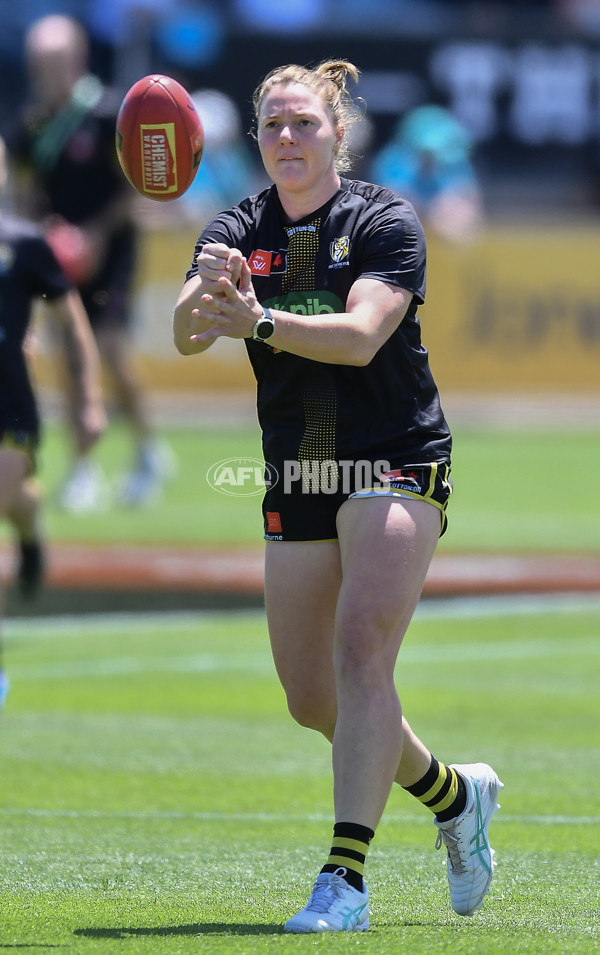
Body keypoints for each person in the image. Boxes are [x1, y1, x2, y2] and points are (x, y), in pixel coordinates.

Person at [173, 60, 502, 934]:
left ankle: (343, 881)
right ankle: (454, 795)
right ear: (257, 138)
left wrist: (262, 320)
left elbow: (361, 338)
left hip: (395, 455)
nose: (288, 137)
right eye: (274, 125)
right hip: (301, 469)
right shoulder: (239, 225)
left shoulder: (383, 216)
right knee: (312, 697)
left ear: (337, 133)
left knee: (364, 650)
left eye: (305, 124)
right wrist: (210, 285)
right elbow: (181, 332)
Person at [8, 13, 174, 512]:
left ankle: (148, 448)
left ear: (77, 60)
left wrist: (95, 235)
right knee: (67, 358)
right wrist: (48, 230)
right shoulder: (32, 124)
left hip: (112, 249)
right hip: (58, 255)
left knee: (109, 349)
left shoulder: (107, 115)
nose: (43, 71)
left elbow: (135, 187)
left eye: (52, 61)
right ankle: (83, 465)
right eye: (37, 62)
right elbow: (25, 189)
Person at [0, 134, 106, 706]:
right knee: (13, 500)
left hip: (10, 406)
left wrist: (88, 398)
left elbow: (73, 322)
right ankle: (30, 524)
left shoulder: (24, 244)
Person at [370, 104, 484, 243]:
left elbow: (469, 196)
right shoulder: (393, 161)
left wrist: (448, 210)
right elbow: (389, 203)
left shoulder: (454, 159)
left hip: (438, 217)